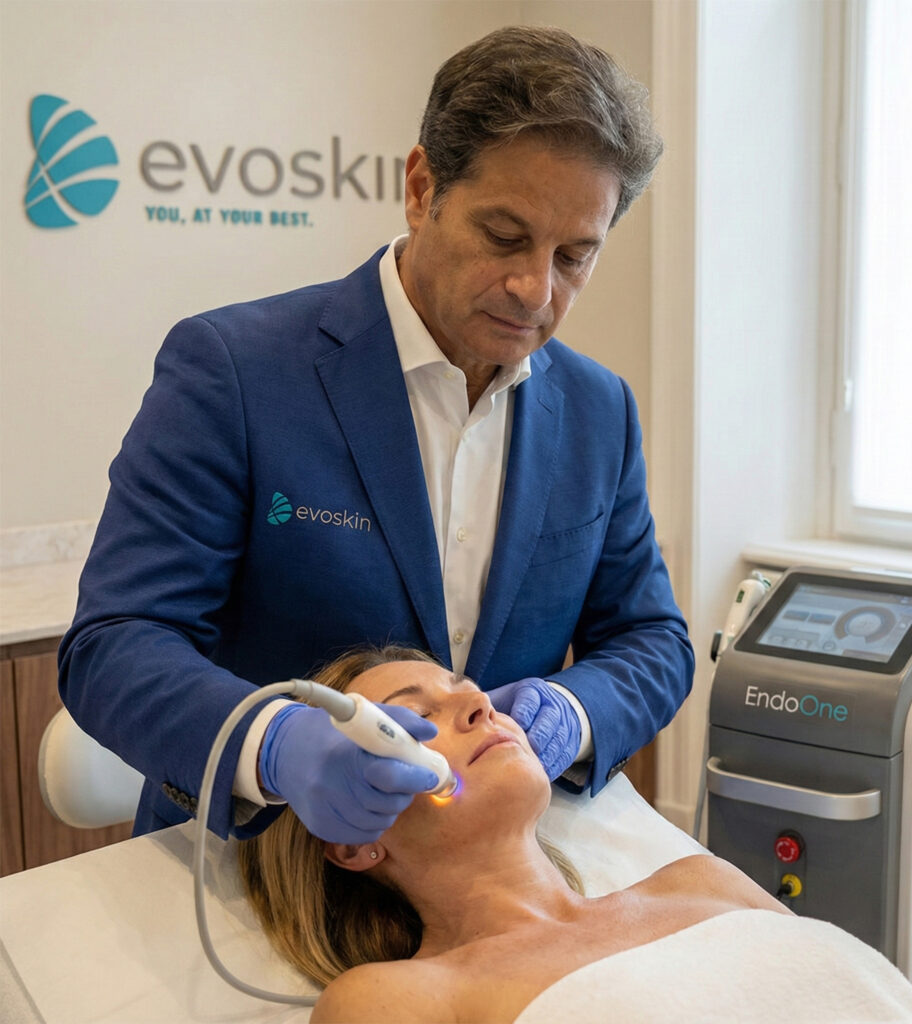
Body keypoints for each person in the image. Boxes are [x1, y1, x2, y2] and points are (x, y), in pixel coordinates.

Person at [58, 25, 694, 848]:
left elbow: (652, 640)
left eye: (575, 256)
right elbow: (115, 643)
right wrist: (274, 744)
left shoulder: (599, 410)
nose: (535, 288)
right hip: (266, 862)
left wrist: (571, 713)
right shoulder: (237, 372)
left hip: (478, 865)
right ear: (423, 188)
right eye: (505, 236)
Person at [239, 648, 912, 1024]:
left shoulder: (697, 880)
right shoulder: (397, 1000)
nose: (479, 703)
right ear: (353, 837)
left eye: (465, 689)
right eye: (411, 720)